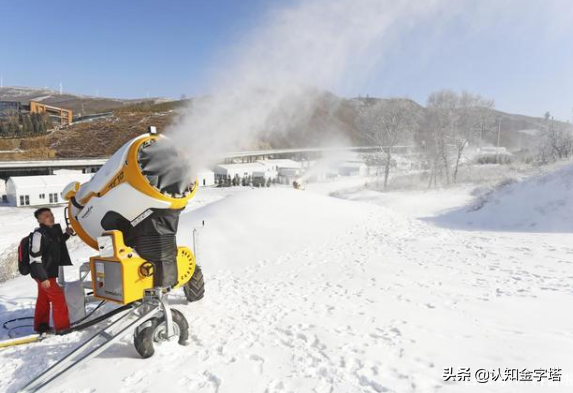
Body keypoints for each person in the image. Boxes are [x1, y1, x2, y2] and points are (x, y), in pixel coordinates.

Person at [29, 207, 74, 333]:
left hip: (49, 273)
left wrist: (66, 234)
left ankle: (41, 325)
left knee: (43, 298)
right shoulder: (38, 234)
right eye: (47, 216)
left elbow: (57, 242)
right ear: (40, 220)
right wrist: (43, 278)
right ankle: (63, 328)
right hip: (43, 274)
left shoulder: (52, 231)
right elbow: (34, 258)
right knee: (58, 297)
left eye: (51, 214)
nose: (51, 217)